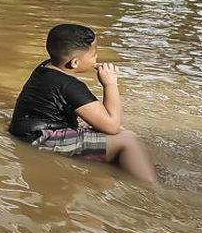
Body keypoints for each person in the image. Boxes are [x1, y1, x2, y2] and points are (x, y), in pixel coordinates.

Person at [8, 24, 157, 184]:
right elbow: (111, 125)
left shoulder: (46, 67)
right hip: (40, 139)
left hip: (26, 132)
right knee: (128, 140)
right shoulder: (69, 85)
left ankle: (134, 170)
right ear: (75, 63)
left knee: (121, 134)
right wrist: (110, 84)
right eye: (94, 55)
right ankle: (151, 190)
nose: (96, 59)